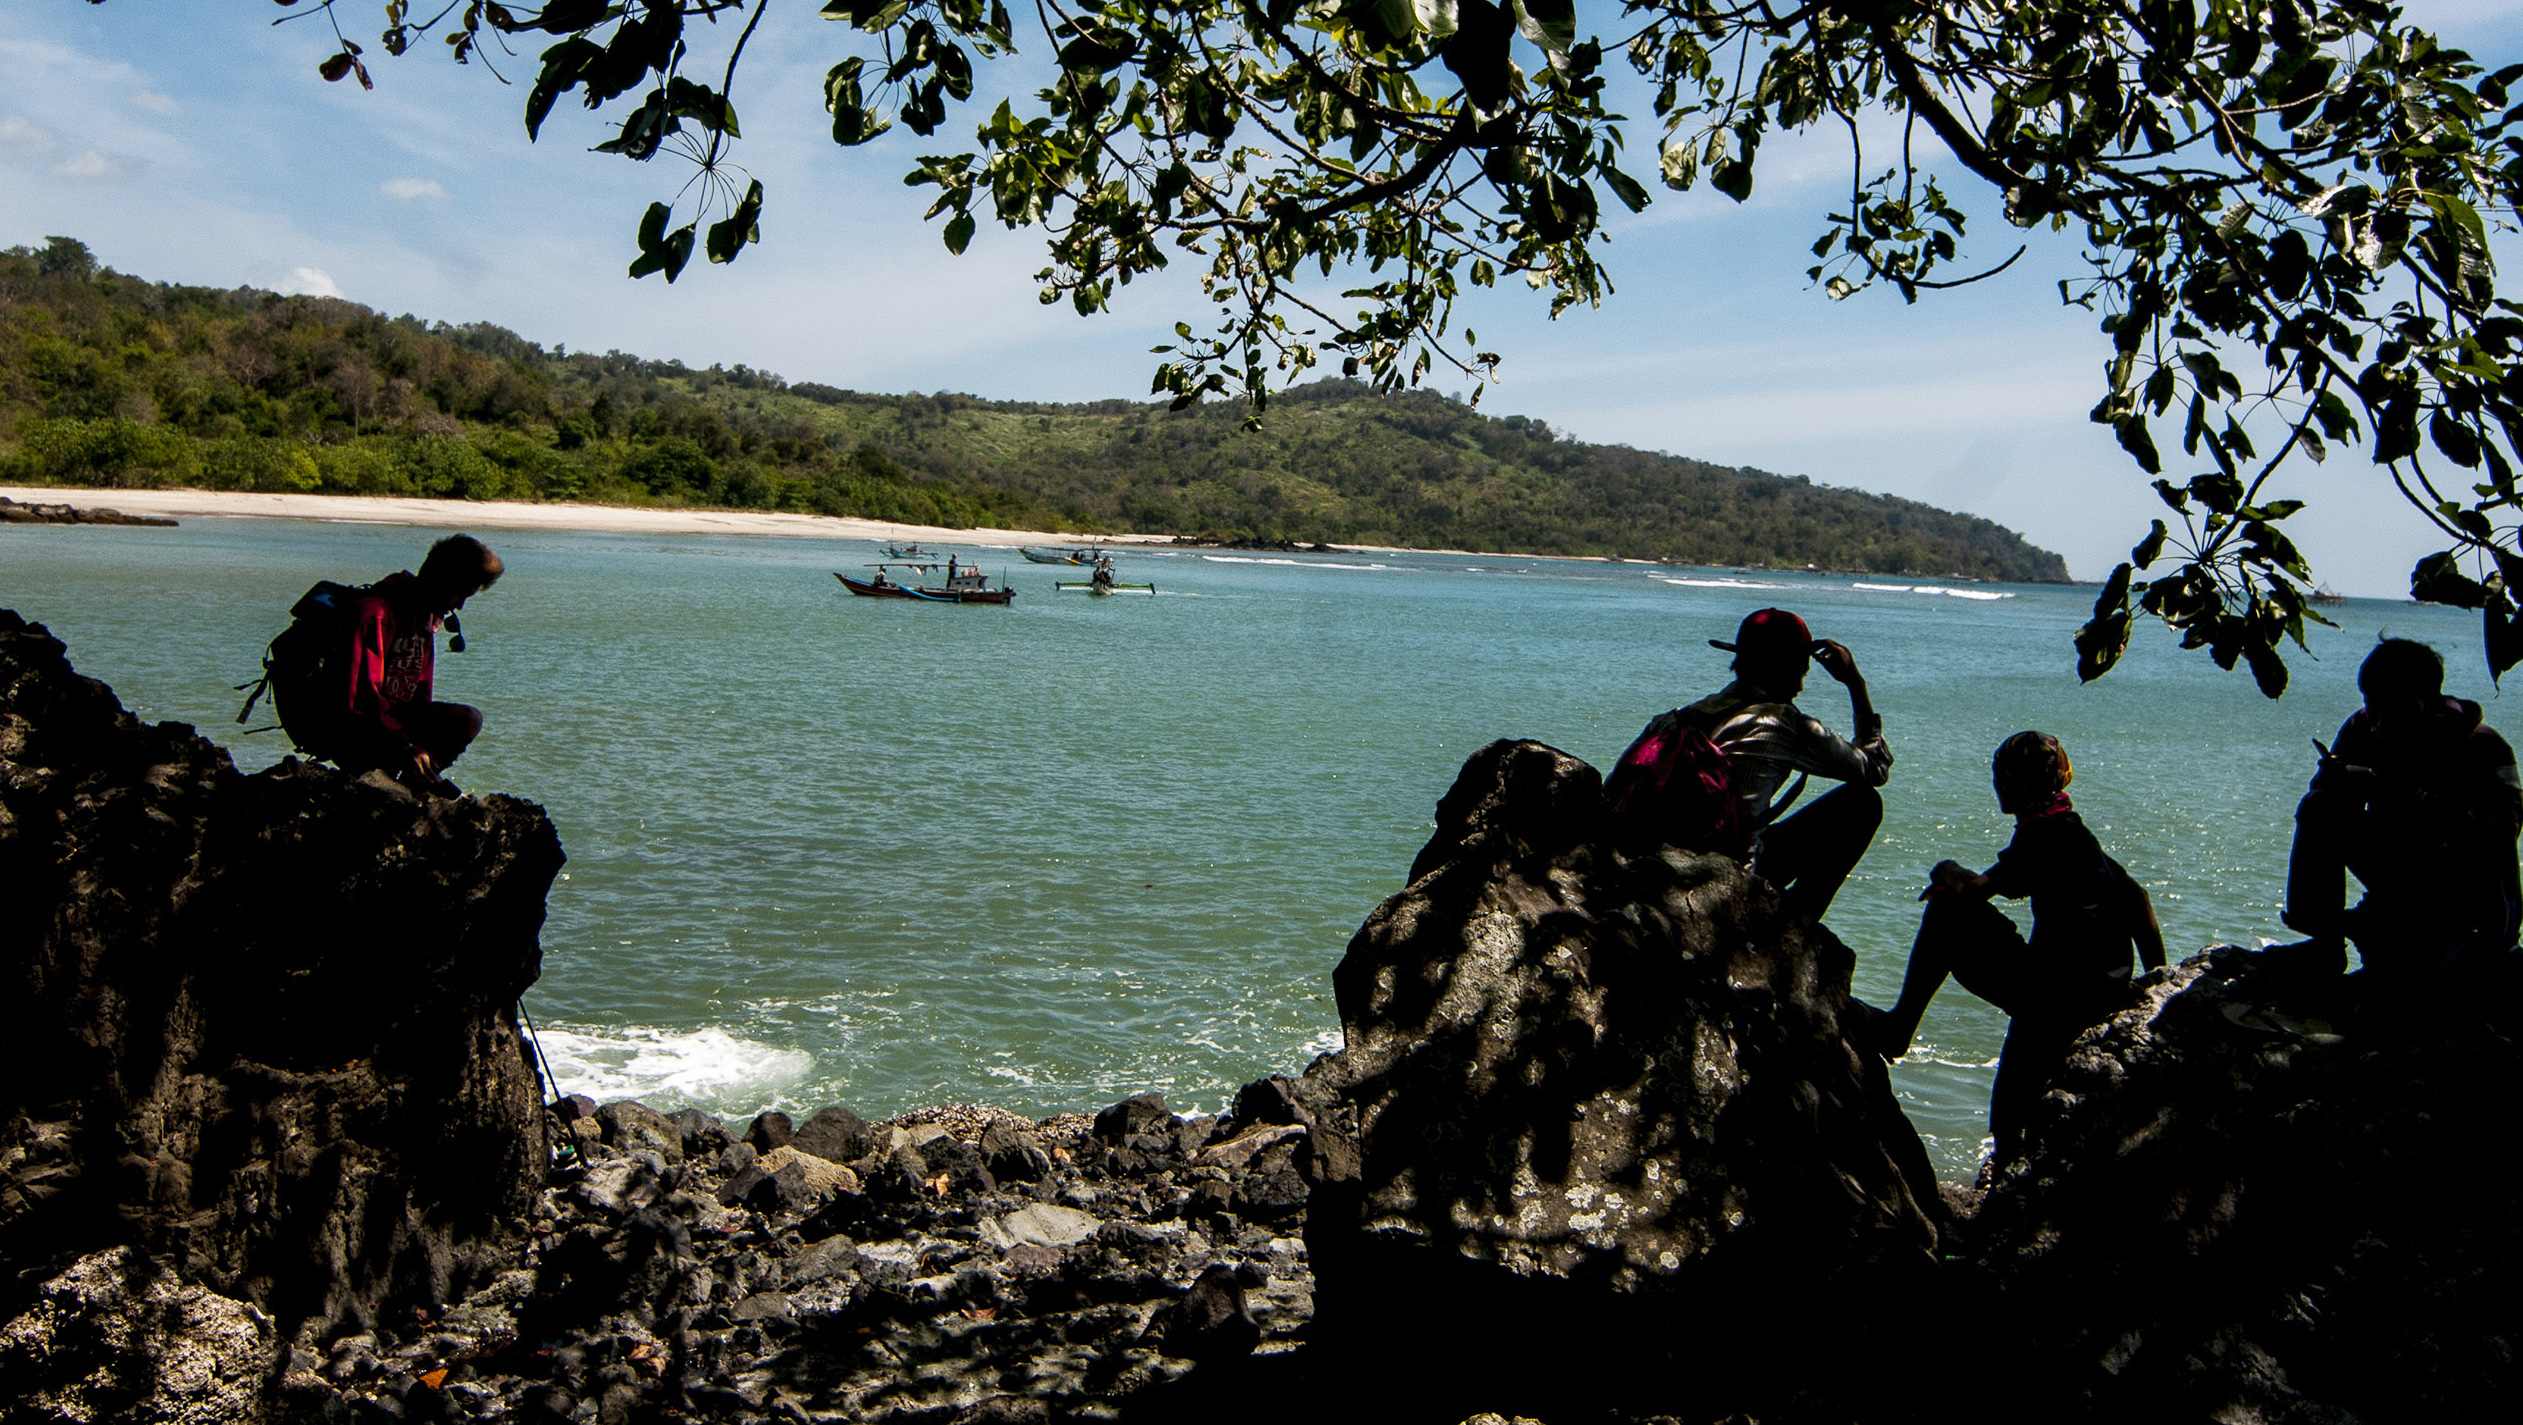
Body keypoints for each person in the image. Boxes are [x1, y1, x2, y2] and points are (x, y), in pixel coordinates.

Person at [1862, 731, 2165, 1160]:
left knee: (1948, 914)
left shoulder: (2043, 835)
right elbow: (2139, 902)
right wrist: (2154, 984)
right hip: (2098, 989)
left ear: (2016, 783)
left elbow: (1974, 891)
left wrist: (1944, 869)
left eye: (2001, 776)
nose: (1997, 785)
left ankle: (1898, 1030)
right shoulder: (2075, 833)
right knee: (2015, 1105)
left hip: (2057, 995)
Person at [1610, 607, 1893, 920]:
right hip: (1729, 874)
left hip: (1656, 863)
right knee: (1863, 804)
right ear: (1788, 669)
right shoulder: (1784, 725)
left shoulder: (1674, 719)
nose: (1801, 686)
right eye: (1801, 672)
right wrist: (1855, 684)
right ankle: (1795, 928)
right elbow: (1874, 770)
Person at [2274, 637, 2523, 976]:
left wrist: (2409, 795)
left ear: (2427, 700)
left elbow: (2500, 833)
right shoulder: (2363, 727)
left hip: (2469, 895)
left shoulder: (2482, 747)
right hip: (2401, 869)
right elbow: (2325, 807)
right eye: (2370, 703)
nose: (2378, 718)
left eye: (2391, 705)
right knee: (2319, 806)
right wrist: (2340, 780)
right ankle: (2324, 944)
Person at [294, 534, 503, 791]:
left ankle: (414, 781)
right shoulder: (374, 613)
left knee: (468, 719)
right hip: (351, 727)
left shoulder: (423, 618)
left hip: (388, 723)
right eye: (458, 595)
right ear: (441, 579)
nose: (459, 606)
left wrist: (414, 744)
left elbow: (418, 695)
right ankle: (397, 781)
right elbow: (358, 701)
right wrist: (402, 746)